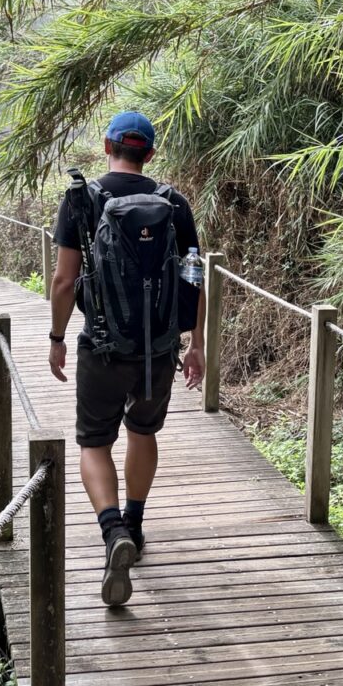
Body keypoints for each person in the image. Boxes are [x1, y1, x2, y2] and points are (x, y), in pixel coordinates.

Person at [48, 110, 206, 607]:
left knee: (94, 442)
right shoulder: (173, 202)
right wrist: (195, 344)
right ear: (150, 154)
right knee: (144, 432)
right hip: (158, 350)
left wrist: (56, 337)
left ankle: (112, 529)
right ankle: (135, 526)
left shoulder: (82, 199)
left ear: (106, 146)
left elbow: (64, 281)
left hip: (101, 346)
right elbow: (193, 278)